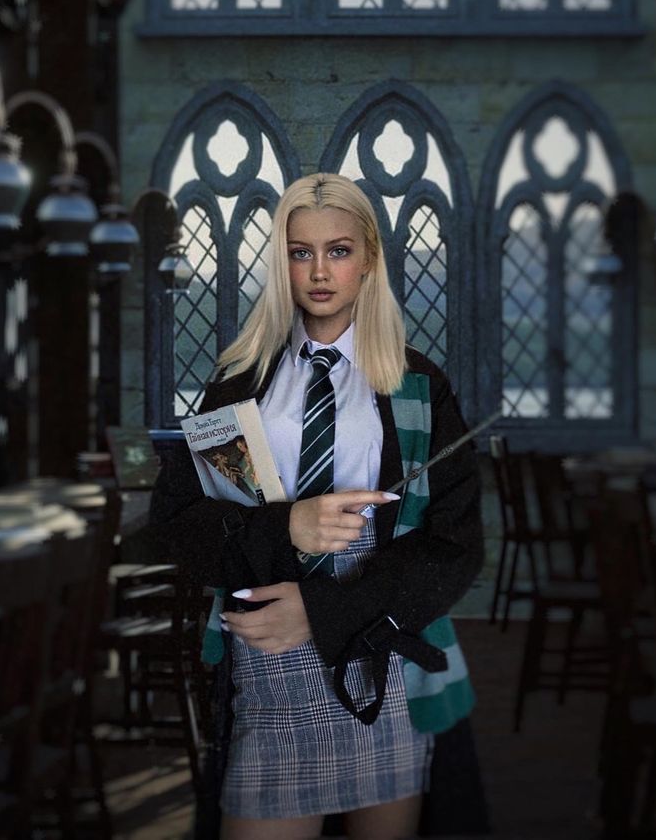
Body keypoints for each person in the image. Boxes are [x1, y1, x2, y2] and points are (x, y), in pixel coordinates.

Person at [149, 172, 484, 840]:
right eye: (300, 252)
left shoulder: (417, 388)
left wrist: (321, 610)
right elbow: (177, 526)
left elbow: (453, 547)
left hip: (382, 649)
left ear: (367, 261)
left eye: (337, 250)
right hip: (269, 660)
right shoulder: (237, 386)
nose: (319, 271)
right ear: (281, 263)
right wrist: (286, 525)